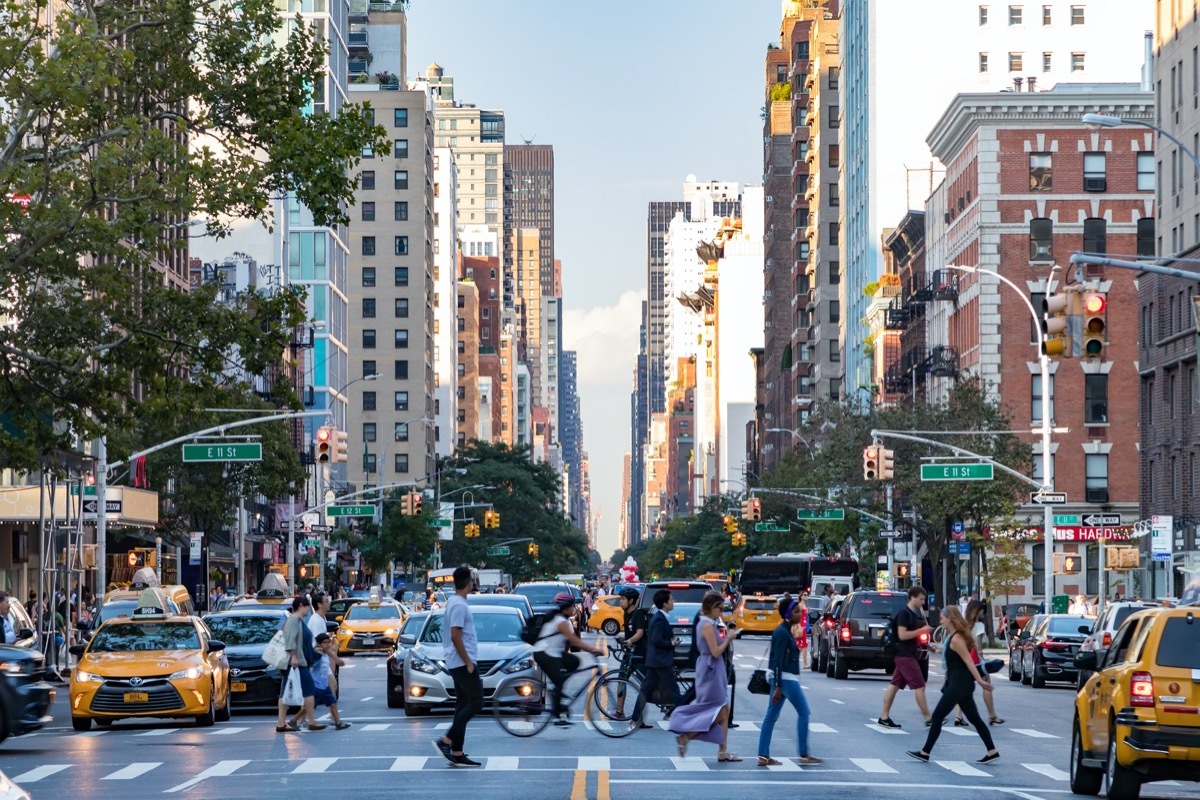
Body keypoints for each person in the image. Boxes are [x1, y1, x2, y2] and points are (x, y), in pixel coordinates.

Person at [906, 606, 999, 765]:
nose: (941, 620)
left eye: (943, 617)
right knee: (975, 719)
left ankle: (925, 752)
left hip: (959, 684)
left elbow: (969, 662)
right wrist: (937, 649)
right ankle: (992, 751)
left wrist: (981, 681)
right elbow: (954, 656)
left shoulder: (957, 639)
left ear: (951, 619)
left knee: (937, 717)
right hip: (960, 683)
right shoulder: (954, 637)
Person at [670, 592, 742, 761]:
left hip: (712, 669)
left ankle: (722, 751)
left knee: (724, 710)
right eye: (719, 608)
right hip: (710, 670)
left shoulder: (708, 623)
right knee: (716, 710)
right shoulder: (706, 625)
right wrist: (729, 638)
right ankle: (686, 735)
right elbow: (715, 652)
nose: (721, 612)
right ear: (710, 607)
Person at [758, 596, 821, 767]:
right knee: (804, 712)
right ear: (787, 614)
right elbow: (777, 660)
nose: (800, 613)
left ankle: (763, 755)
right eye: (796, 611)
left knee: (771, 716)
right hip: (785, 679)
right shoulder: (782, 633)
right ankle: (804, 754)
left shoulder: (785, 631)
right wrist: (778, 686)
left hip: (782, 678)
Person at [434, 566, 483, 767]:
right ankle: (446, 740)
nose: (474, 583)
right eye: (472, 580)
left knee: (462, 705)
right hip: (462, 662)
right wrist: (468, 662)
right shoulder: (459, 606)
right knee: (477, 702)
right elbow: (456, 636)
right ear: (467, 582)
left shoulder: (455, 602)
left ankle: (457, 751)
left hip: (458, 661)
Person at [532, 592, 602, 726]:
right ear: (565, 608)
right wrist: (593, 649)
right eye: (571, 607)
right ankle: (558, 716)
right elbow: (575, 641)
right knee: (558, 682)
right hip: (544, 653)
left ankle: (556, 686)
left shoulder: (564, 621)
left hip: (554, 653)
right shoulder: (560, 621)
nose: (574, 609)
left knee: (574, 662)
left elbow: (569, 644)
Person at [878, 585, 933, 729]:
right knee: (920, 686)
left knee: (894, 685)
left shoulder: (911, 615)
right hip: (904, 655)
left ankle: (884, 716)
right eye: (921, 599)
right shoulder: (904, 614)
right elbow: (902, 635)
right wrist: (922, 630)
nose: (923, 602)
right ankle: (928, 719)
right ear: (913, 597)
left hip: (906, 654)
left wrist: (927, 645)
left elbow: (911, 637)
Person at [632, 589, 683, 723]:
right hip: (661, 661)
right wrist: (671, 643)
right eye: (671, 600)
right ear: (665, 603)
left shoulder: (660, 617)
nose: (673, 602)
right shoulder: (659, 619)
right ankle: (684, 717)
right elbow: (656, 639)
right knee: (674, 691)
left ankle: (634, 718)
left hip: (655, 661)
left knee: (645, 691)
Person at [277, 596, 324, 732]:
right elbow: (290, 638)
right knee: (310, 690)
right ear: (302, 606)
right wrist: (293, 657)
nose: (309, 609)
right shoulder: (293, 619)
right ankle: (311, 721)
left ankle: (282, 723)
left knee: (285, 692)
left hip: (298, 660)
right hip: (296, 662)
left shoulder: (297, 620)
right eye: (307, 606)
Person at [953, 599, 1003, 727]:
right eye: (982, 611)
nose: (982, 613)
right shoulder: (979, 626)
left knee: (962, 687)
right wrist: (982, 659)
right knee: (986, 683)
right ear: (977, 611)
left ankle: (958, 716)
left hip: (962, 658)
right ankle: (992, 715)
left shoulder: (962, 624)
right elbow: (978, 647)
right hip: (974, 659)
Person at [309, 633, 350, 730]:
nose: (327, 644)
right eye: (325, 642)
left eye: (329, 642)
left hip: (324, 685)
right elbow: (310, 663)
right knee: (308, 707)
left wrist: (338, 660)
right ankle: (295, 721)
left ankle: (338, 723)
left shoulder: (325, 652)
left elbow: (330, 653)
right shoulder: (317, 653)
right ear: (319, 643)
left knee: (332, 703)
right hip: (315, 685)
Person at [793, 591, 810, 669]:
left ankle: (796, 661)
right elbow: (798, 616)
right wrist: (799, 626)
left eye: (807, 595)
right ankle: (804, 663)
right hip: (801, 626)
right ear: (801, 596)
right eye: (805, 595)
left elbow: (804, 615)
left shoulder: (804, 604)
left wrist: (807, 611)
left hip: (804, 626)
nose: (807, 596)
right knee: (803, 645)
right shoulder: (800, 605)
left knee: (801, 645)